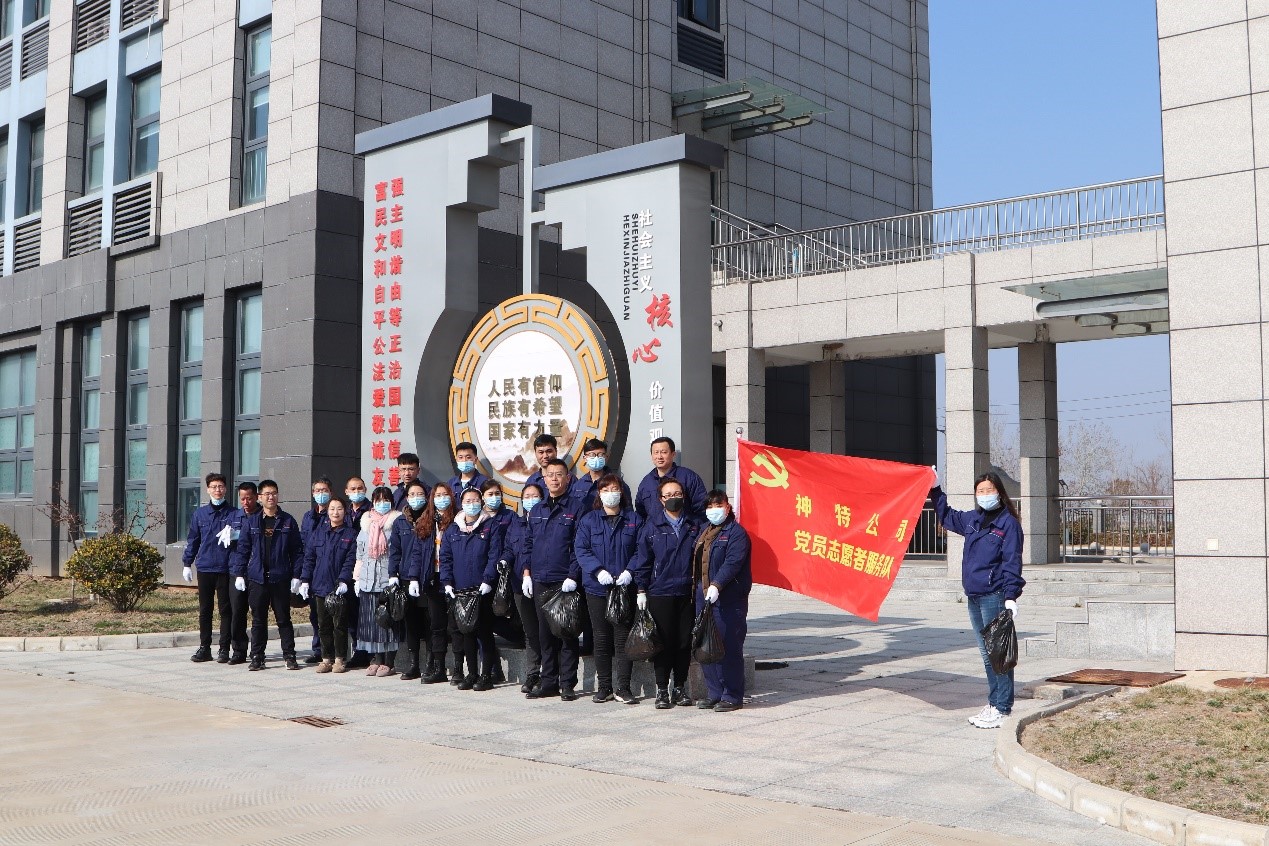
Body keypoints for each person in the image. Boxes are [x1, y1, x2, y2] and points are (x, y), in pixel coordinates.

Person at [930, 470, 1025, 730]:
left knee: (998, 654)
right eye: (980, 491)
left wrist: (1011, 596)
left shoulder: (1008, 525)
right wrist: (935, 489)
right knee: (986, 654)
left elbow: (1012, 562)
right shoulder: (973, 520)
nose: (984, 495)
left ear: (999, 492)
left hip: (994, 595)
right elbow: (947, 516)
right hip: (974, 596)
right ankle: (994, 703)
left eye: (989, 490)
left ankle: (1002, 707)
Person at [629, 476, 703, 709]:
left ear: (684, 496)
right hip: (660, 592)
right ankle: (662, 689)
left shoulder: (694, 524)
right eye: (668, 495)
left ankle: (679, 687)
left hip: (687, 591)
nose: (673, 498)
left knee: (683, 642)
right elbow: (643, 561)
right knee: (663, 642)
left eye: (677, 494)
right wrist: (641, 589)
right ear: (661, 500)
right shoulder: (652, 526)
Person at [574, 473, 642, 704]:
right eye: (605, 490)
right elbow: (581, 549)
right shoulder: (589, 520)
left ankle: (624, 687)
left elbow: (641, 550)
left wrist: (630, 571)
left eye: (614, 489)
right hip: (597, 587)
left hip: (624, 586)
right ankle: (604, 687)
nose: (610, 493)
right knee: (601, 638)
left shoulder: (633, 519)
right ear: (599, 494)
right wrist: (597, 571)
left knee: (622, 638)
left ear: (621, 492)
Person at [523, 458, 584, 700]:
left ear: (568, 478)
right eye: (551, 475)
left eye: (559, 474)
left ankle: (568, 683)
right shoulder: (537, 510)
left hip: (564, 579)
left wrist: (573, 575)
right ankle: (548, 682)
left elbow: (580, 545)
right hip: (541, 578)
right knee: (545, 633)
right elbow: (528, 543)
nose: (555, 479)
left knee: (566, 632)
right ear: (544, 479)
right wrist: (526, 573)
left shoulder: (577, 508)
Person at [229, 479, 303, 671]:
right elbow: (243, 549)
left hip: (280, 577)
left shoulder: (288, 521)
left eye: (274, 493)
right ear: (260, 497)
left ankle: (290, 656)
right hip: (258, 578)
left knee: (284, 619)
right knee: (258, 620)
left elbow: (297, 551)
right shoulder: (252, 521)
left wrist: (297, 575)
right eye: (267, 494)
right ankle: (257, 657)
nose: (271, 497)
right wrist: (239, 573)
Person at [691, 490, 752, 712]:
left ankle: (732, 695)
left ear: (727, 507)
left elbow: (733, 562)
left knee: (729, 646)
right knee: (706, 643)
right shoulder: (704, 531)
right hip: (703, 597)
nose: (714, 510)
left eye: (718, 505)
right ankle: (714, 692)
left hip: (728, 598)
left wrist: (717, 585)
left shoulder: (736, 533)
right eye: (710, 506)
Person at [440, 488, 504, 690]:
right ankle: (472, 673)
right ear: (462, 503)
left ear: (481, 502)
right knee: (466, 632)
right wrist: (447, 582)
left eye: (475, 500)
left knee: (484, 631)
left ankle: (486, 675)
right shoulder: (453, 529)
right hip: (461, 590)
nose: (472, 504)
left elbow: (494, 554)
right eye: (468, 500)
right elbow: (445, 557)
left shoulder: (490, 526)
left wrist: (488, 579)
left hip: (483, 589)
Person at [184, 473, 245, 664]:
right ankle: (205, 647)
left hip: (226, 568)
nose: (217, 490)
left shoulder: (235, 514)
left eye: (220, 486)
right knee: (205, 609)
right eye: (213, 487)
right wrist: (187, 563)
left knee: (226, 610)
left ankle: (224, 648)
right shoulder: (200, 514)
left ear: (225, 489)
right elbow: (193, 540)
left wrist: (236, 534)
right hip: (205, 567)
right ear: (208, 489)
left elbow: (245, 536)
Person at [406, 484, 457, 683]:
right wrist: (413, 577)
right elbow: (417, 554)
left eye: (445, 495)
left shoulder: (457, 520)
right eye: (438, 495)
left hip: (453, 580)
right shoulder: (426, 522)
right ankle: (439, 667)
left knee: (455, 625)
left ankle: (459, 669)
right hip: (432, 579)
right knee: (436, 625)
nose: (441, 498)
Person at [299, 496, 356, 674]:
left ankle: (340, 659)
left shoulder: (350, 534)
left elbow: (350, 561)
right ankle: (326, 659)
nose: (335, 512)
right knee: (323, 625)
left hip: (338, 588)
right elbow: (309, 558)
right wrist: (305, 580)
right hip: (319, 586)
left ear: (345, 511)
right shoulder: (318, 533)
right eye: (332, 509)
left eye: (339, 509)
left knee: (339, 625)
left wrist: (344, 580)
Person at [354, 486, 404, 677]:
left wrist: (395, 576)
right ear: (373, 502)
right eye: (378, 500)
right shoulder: (366, 522)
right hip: (368, 580)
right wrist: (357, 578)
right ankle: (376, 658)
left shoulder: (397, 522)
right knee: (372, 623)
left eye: (386, 500)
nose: (382, 504)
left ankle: (389, 662)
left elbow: (399, 552)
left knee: (387, 622)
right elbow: (360, 553)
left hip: (387, 580)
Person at [502, 482, 544, 694]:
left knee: (546, 629)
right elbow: (509, 549)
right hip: (520, 584)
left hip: (543, 582)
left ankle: (550, 672)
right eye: (526, 497)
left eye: (534, 496)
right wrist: (504, 560)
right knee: (530, 631)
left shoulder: (546, 521)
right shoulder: (516, 524)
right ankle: (532, 672)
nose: (530, 500)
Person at [390, 480, 430, 680]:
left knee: (430, 622)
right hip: (406, 577)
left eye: (419, 494)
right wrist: (392, 574)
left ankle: (431, 663)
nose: (416, 498)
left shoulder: (432, 519)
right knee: (411, 623)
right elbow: (395, 551)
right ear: (406, 498)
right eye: (412, 494)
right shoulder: (400, 522)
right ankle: (414, 664)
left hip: (427, 577)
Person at [222, 480, 260, 664]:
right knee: (237, 611)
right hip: (236, 571)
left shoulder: (262, 516)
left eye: (249, 498)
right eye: (242, 499)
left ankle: (257, 651)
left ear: (256, 497)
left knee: (258, 613)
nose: (246, 502)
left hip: (257, 571)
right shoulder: (234, 516)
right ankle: (239, 650)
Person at [299, 476, 334, 664]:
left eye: (324, 490)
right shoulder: (308, 516)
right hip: (311, 570)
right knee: (315, 614)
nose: (321, 494)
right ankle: (318, 649)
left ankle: (334, 651)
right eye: (318, 491)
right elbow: (303, 544)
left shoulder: (335, 513)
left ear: (331, 493)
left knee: (332, 612)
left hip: (329, 569)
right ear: (313, 494)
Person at [634, 437, 707, 520]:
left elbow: (701, 508)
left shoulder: (688, 477)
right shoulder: (646, 482)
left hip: (684, 527)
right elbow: (640, 513)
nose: (659, 456)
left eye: (664, 452)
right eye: (656, 452)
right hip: (653, 528)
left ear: (673, 454)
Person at [342, 476, 373, 670]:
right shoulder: (343, 512)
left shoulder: (371, 511)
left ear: (365, 489)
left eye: (360, 488)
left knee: (367, 613)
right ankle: (358, 650)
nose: (356, 492)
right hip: (347, 568)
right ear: (346, 491)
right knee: (352, 613)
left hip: (366, 568)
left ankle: (370, 653)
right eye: (352, 489)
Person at [571, 438, 631, 507]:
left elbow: (627, 509)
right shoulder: (578, 485)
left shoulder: (618, 483)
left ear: (606, 457)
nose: (596, 458)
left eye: (600, 455)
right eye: (592, 454)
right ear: (585, 458)